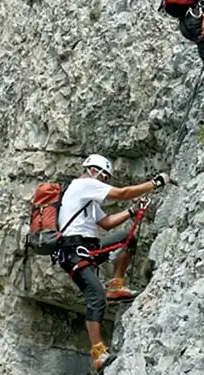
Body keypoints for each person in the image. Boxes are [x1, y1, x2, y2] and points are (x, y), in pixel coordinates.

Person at [55, 153, 169, 372]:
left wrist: (131, 211)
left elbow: (106, 223)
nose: (104, 181)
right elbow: (122, 193)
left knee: (127, 238)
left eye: (107, 178)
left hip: (88, 249)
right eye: (103, 176)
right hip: (74, 252)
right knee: (96, 295)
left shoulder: (87, 197)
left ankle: (116, 285)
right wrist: (154, 184)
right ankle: (98, 352)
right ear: (92, 170)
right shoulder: (83, 185)